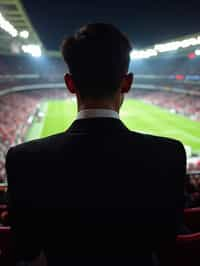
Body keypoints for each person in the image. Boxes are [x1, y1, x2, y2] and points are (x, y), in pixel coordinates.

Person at [6, 23, 186, 266]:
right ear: (127, 83)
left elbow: (25, 249)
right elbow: (169, 243)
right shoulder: (169, 154)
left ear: (69, 84)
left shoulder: (23, 159)